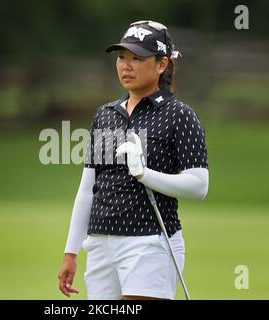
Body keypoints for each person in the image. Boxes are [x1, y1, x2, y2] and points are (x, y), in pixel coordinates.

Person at [58, 20, 209, 300]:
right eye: (121, 58)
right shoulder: (106, 115)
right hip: (101, 244)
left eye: (137, 59)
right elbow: (87, 189)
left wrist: (144, 174)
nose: (126, 66)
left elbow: (199, 185)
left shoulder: (180, 116)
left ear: (162, 64)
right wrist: (71, 251)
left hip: (149, 241)